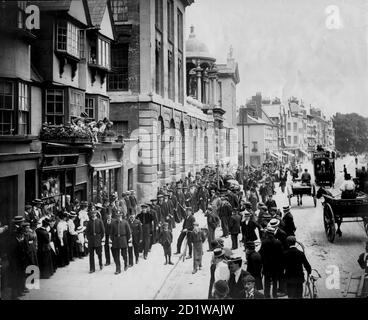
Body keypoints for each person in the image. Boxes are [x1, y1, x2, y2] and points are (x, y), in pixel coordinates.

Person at [259, 226, 284, 298]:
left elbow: (261, 253)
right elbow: (281, 255)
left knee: (267, 281)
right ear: (273, 233)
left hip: (267, 266)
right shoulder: (278, 242)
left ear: (267, 233)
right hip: (276, 266)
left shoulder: (264, 242)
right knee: (275, 281)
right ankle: (275, 295)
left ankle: (267, 295)